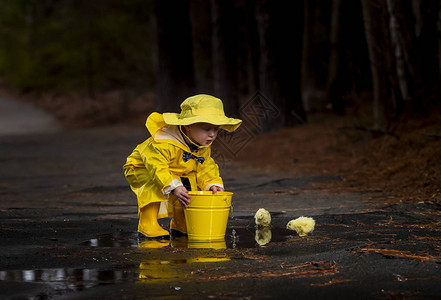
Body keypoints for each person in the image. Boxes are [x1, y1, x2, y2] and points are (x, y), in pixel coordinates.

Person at [123, 94, 242, 241]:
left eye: (216, 129)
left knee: (190, 183)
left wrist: (212, 183)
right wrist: (174, 186)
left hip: (174, 170)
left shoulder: (201, 144)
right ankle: (147, 223)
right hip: (142, 167)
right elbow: (157, 167)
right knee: (155, 182)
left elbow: (205, 166)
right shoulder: (164, 142)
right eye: (206, 129)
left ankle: (180, 223)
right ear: (187, 126)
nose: (212, 134)